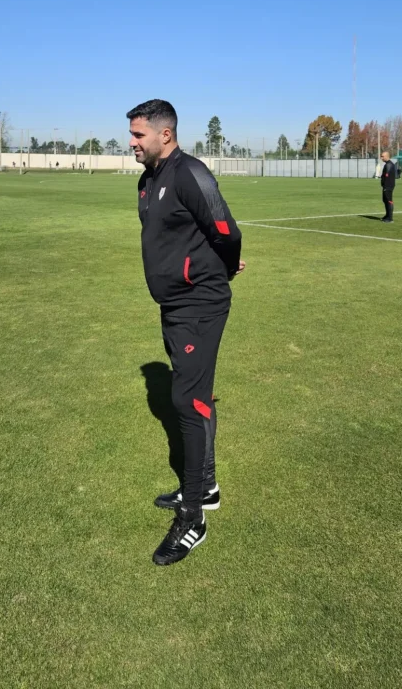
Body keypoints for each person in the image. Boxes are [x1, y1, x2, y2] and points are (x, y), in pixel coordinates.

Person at [127, 99, 245, 566]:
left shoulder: (190, 173)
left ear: (166, 135)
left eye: (139, 135)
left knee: (188, 401)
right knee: (191, 395)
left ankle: (194, 516)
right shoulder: (147, 180)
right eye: (131, 134)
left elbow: (225, 229)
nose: (131, 142)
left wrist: (223, 269)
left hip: (201, 304)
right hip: (173, 306)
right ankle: (207, 486)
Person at [380, 150, 397, 222]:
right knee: (385, 200)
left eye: (382, 156)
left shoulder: (389, 165)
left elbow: (387, 176)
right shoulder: (387, 164)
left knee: (389, 201)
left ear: (387, 156)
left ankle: (390, 218)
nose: (381, 158)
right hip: (386, 186)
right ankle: (387, 215)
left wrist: (386, 186)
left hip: (388, 186)